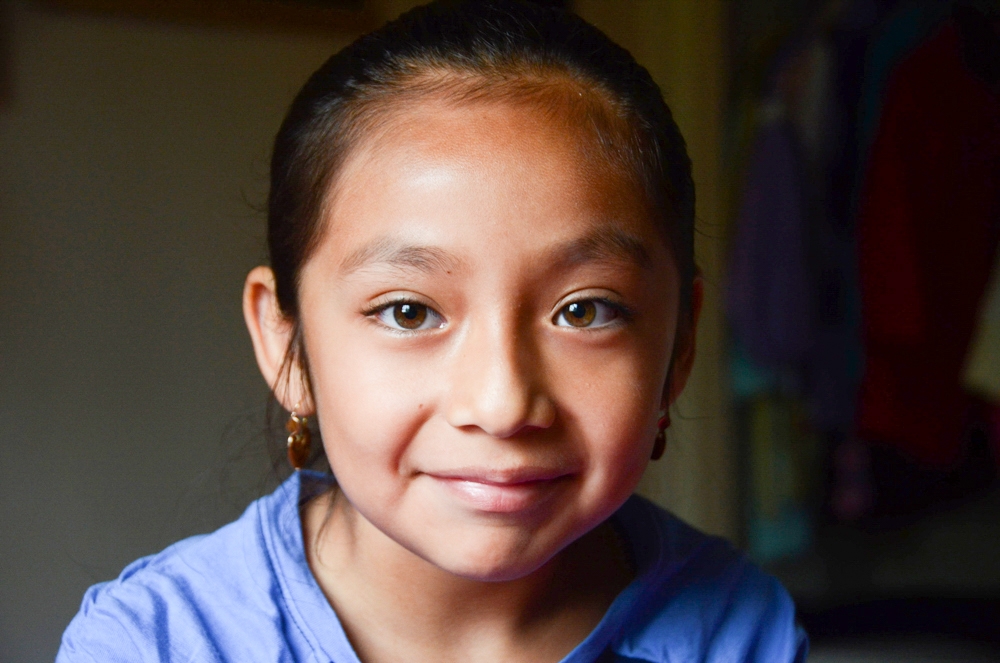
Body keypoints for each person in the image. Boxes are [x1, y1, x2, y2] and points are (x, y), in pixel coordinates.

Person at [57, 1, 808, 661]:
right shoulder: (151, 645)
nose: (503, 403)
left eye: (584, 309)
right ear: (288, 344)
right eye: (408, 310)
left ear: (679, 347)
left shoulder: (738, 633)